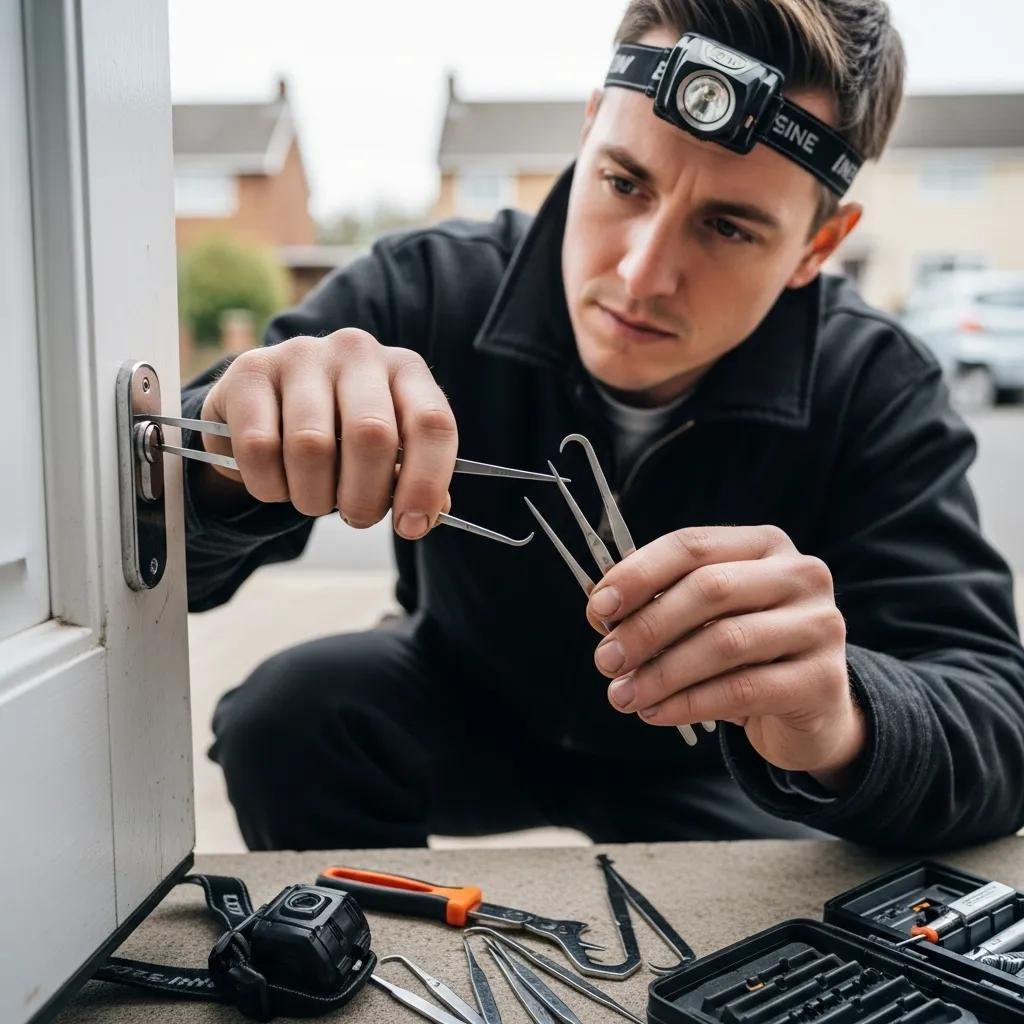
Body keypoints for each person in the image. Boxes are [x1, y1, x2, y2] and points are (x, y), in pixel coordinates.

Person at [183, 0, 1024, 852]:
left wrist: (843, 721)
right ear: (589, 131)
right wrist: (219, 460)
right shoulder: (430, 290)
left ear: (818, 244)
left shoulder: (875, 382)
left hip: (722, 761)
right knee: (288, 718)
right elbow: (154, 553)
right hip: (465, 703)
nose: (642, 273)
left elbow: (997, 722)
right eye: (625, 183)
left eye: (728, 226)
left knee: (793, 905)